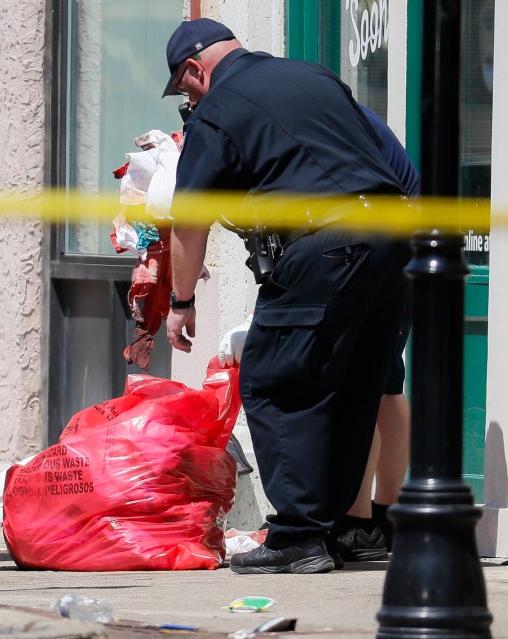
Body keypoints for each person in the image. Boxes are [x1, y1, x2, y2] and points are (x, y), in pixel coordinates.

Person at [162, 18, 411, 574]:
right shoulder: (314, 78)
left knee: (276, 379)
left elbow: (189, 220)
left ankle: (298, 534)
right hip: (393, 243)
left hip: (327, 245)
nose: (189, 99)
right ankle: (331, 529)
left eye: (185, 88)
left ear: (197, 70)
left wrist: (181, 303)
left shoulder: (220, 107)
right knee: (351, 387)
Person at [329, 105, 421, 562]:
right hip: (399, 243)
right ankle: (385, 516)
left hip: (383, 248)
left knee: (364, 384)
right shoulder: (341, 113)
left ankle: (360, 522)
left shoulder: (327, 119)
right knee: (385, 381)